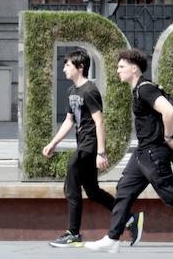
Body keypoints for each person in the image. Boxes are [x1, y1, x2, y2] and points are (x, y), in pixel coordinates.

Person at [86, 48, 173, 256]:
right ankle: (112, 238)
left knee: (171, 196)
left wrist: (168, 137)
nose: (117, 70)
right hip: (142, 153)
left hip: (155, 153)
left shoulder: (145, 88)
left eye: (121, 67)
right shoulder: (138, 89)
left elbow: (169, 111)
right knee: (124, 190)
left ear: (134, 68)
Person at [42, 49, 141, 248]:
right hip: (83, 144)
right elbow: (69, 121)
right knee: (93, 191)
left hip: (90, 146)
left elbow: (99, 122)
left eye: (68, 65)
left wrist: (101, 152)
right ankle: (129, 219)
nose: (64, 69)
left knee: (71, 184)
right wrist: (53, 143)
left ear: (80, 67)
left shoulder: (90, 90)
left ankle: (73, 233)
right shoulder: (72, 92)